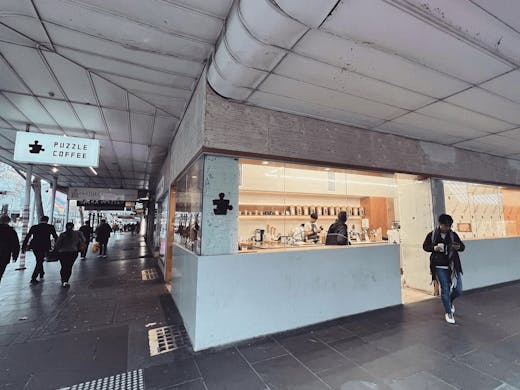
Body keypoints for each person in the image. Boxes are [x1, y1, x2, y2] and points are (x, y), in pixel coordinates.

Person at [423, 213, 465, 324]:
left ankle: (449, 301)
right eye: (445, 226)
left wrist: (458, 247)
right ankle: (448, 312)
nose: (447, 228)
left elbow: (462, 247)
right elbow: (425, 246)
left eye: (449, 226)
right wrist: (434, 248)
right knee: (445, 289)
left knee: (458, 290)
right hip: (439, 266)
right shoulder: (432, 235)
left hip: (453, 266)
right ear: (440, 224)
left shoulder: (453, 235)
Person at [22, 215, 58, 284]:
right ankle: (33, 277)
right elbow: (55, 236)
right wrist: (59, 245)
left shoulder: (34, 227)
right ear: (47, 220)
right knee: (40, 260)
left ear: (40, 220)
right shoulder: (50, 227)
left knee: (39, 259)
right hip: (45, 245)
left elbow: (28, 236)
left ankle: (41, 272)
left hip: (35, 246)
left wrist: (24, 246)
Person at [55, 222, 85, 288]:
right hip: (73, 252)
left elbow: (57, 244)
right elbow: (84, 240)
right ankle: (66, 281)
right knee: (69, 266)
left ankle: (63, 279)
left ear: (66, 227)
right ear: (73, 227)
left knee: (63, 266)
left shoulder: (62, 234)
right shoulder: (78, 233)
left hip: (63, 253)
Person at [0, 215, 20, 284]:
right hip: (4, 255)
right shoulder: (11, 231)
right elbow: (15, 245)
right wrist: (15, 256)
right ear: (8, 221)